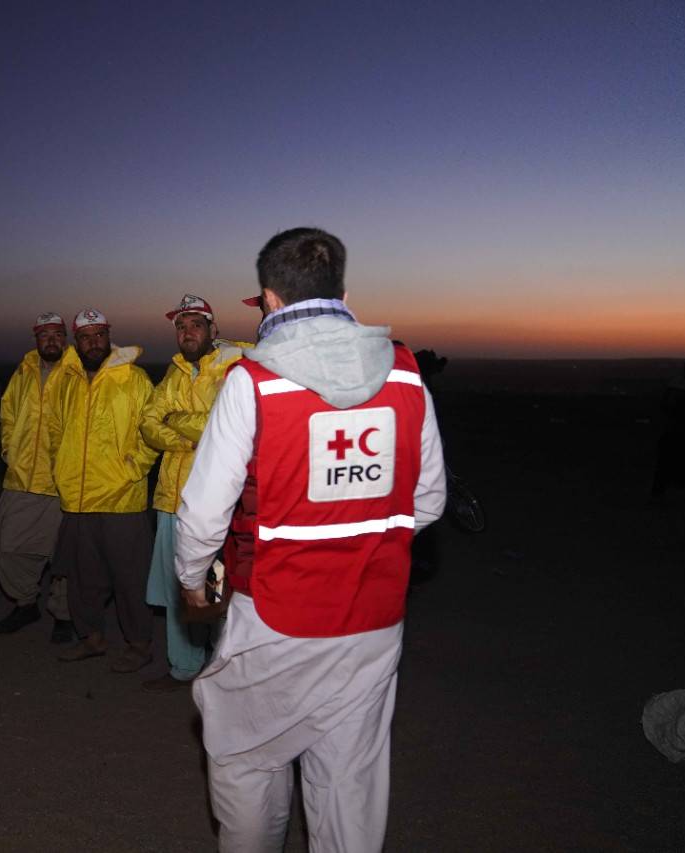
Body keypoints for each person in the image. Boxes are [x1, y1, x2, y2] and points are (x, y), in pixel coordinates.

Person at [175, 228, 446, 852]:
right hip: (374, 619)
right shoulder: (406, 377)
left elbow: (201, 517)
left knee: (247, 761)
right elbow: (428, 501)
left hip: (275, 615)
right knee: (349, 782)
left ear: (269, 300)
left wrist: (194, 583)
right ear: (345, 293)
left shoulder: (253, 383)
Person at [139, 295, 248, 692]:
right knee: (178, 587)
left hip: (219, 499)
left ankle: (224, 674)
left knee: (220, 587)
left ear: (212, 329)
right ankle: (184, 667)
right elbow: (148, 424)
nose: (188, 333)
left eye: (196, 325)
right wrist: (191, 441)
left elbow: (227, 423)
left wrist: (179, 421)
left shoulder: (234, 366)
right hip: (172, 496)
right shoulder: (175, 373)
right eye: (181, 327)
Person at [47, 308, 159, 672]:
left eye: (99, 335)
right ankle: (92, 639)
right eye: (85, 337)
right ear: (75, 342)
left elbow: (151, 432)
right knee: (83, 579)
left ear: (109, 336)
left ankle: (139, 645)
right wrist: (59, 470)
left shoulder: (134, 378)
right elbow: (54, 431)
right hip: (78, 500)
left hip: (121, 499)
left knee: (130, 578)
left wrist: (131, 469)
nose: (93, 342)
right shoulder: (68, 381)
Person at [0, 312, 74, 642]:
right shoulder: (23, 372)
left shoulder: (77, 372)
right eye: (44, 335)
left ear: (65, 338)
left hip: (61, 480)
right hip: (22, 477)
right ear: (36, 338)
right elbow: (7, 414)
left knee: (63, 554)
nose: (51, 340)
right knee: (9, 548)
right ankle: (26, 603)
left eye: (57, 334)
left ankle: (63, 614)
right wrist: (10, 450)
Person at [650, 356, 685, 499]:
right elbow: (668, 408)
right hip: (677, 431)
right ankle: (659, 494)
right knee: (667, 462)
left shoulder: (677, 386)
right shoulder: (678, 388)